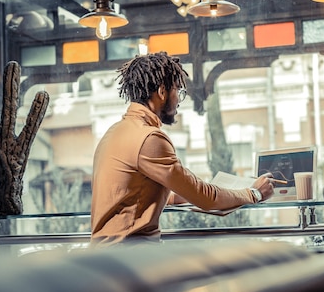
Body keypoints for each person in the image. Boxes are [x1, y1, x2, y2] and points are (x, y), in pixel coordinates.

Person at [90, 52, 275, 247]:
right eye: (178, 91)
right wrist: (254, 193)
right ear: (162, 92)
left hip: (106, 256)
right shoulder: (149, 138)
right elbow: (205, 198)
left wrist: (182, 194)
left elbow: (132, 195)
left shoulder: (114, 133)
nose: (179, 100)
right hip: (131, 257)